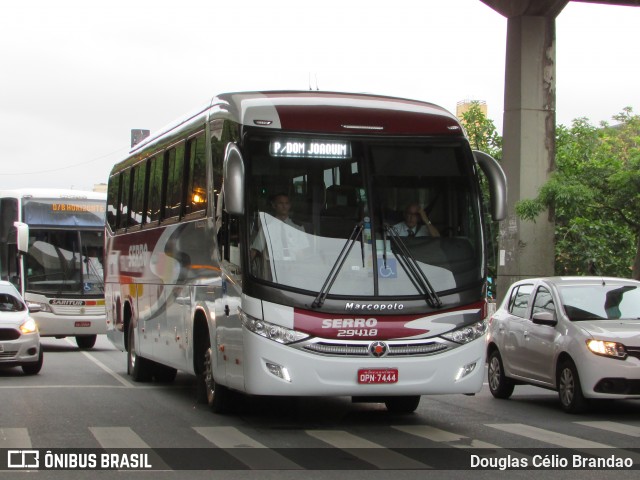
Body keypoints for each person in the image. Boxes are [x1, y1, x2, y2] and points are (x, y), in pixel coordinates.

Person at [250, 193, 305, 260]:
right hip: (273, 267)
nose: (284, 206)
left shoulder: (298, 227)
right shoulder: (267, 228)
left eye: (286, 203)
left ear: (290, 205)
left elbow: (302, 253)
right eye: (280, 203)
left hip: (294, 266)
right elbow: (255, 250)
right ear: (274, 205)